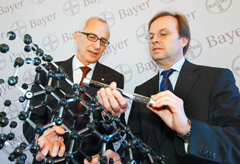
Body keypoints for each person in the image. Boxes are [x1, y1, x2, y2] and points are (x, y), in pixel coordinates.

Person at [93, 11, 240, 164]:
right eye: (151, 36)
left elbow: (236, 141)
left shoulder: (216, 78)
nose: (154, 40)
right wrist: (121, 158)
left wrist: (188, 130)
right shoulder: (142, 89)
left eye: (163, 34)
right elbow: (136, 145)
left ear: (184, 40)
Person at [23, 17, 126, 164]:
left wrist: (110, 118)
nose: (97, 45)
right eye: (92, 37)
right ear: (77, 36)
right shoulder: (49, 71)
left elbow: (117, 133)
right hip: (51, 159)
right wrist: (42, 138)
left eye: (103, 41)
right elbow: (31, 120)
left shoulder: (114, 79)